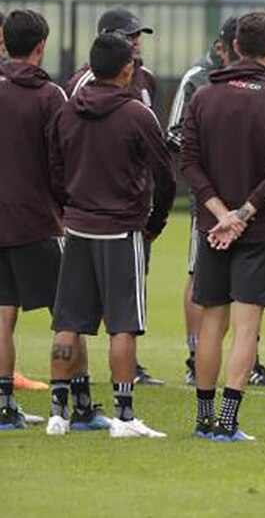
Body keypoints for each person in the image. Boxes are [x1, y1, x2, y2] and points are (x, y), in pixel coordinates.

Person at [46, 33, 176, 438]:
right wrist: (155, 222)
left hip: (79, 226)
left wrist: (71, 204)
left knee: (68, 320)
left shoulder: (67, 113)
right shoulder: (138, 115)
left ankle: (57, 412)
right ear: (127, 69)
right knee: (123, 324)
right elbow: (166, 176)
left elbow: (54, 170)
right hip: (120, 230)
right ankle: (123, 416)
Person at [181, 11, 265, 442]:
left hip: (211, 227)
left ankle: (203, 419)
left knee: (211, 323)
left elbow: (188, 161)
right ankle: (227, 421)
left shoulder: (204, 96)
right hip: (256, 229)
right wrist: (244, 213)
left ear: (235, 46)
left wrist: (220, 212)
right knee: (246, 327)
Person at [65, 7, 164, 387]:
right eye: (129, 37)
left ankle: (124, 371)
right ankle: (90, 385)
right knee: (91, 308)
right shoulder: (80, 85)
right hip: (97, 211)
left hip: (131, 207)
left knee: (127, 294)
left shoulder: (146, 80)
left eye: (139, 37)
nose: (137, 45)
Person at [0, 10, 65, 429]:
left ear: (4, 42)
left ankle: (4, 406)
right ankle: (72, 405)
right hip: (37, 218)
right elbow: (61, 160)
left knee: (4, 313)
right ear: (41, 46)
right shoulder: (50, 96)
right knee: (69, 313)